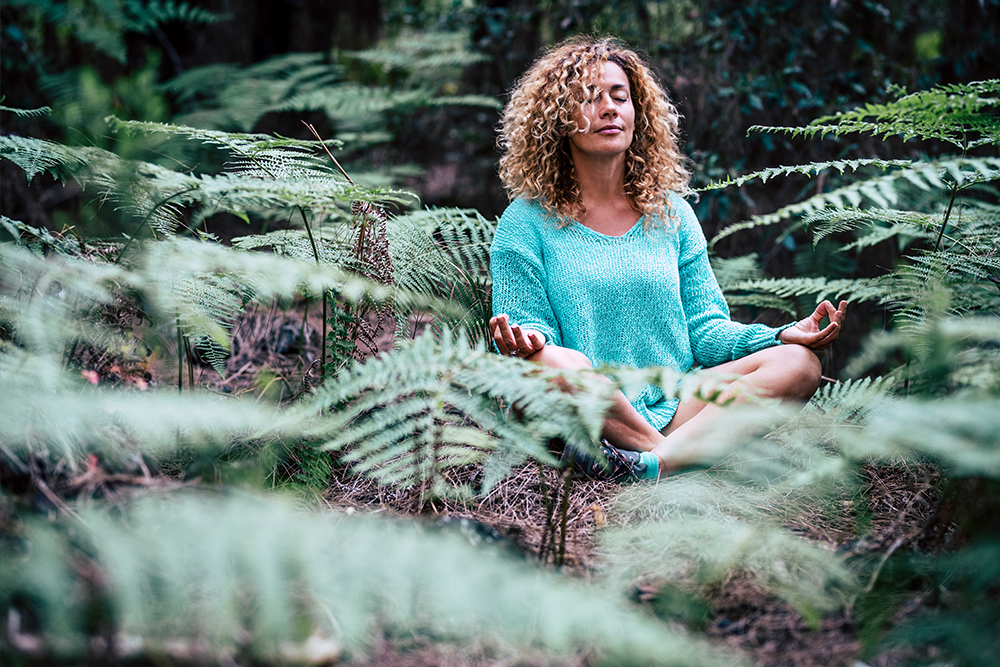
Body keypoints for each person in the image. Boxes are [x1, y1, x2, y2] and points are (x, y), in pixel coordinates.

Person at [489, 37, 847, 481]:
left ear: (638, 114)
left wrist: (780, 335)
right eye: (588, 98)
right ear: (557, 119)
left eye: (619, 97)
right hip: (588, 416)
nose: (608, 109)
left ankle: (647, 467)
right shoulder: (524, 222)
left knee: (797, 364)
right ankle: (670, 457)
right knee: (552, 363)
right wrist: (527, 343)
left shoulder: (671, 213)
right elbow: (531, 334)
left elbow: (705, 329)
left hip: (674, 403)